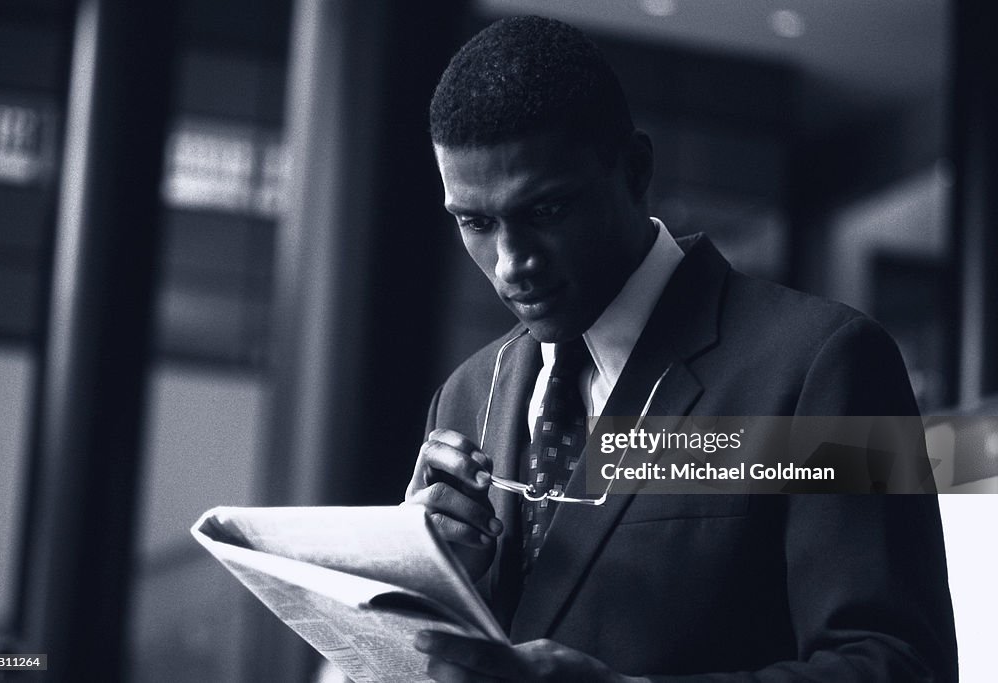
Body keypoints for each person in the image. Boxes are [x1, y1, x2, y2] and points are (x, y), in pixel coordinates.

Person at [404, 15, 957, 682]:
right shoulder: (464, 395)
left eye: (546, 211)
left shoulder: (828, 364)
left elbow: (901, 664)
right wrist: (427, 579)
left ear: (635, 171)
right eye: (476, 222)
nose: (511, 262)